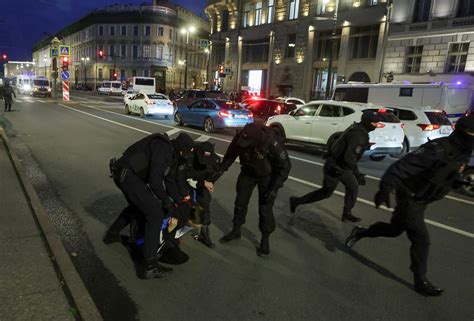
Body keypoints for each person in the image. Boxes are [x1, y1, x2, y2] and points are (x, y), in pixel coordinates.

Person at [345, 115, 474, 296]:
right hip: (410, 197)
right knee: (421, 239)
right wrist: (384, 189)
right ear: (464, 133)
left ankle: (361, 231)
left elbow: (445, 172)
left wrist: (456, 182)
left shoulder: (462, 152)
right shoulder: (437, 149)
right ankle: (420, 279)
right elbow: (400, 167)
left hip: (423, 199)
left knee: (394, 230)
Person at [105, 132, 196, 279]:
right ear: (179, 149)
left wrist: (180, 201)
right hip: (126, 175)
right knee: (155, 215)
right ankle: (149, 266)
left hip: (127, 174)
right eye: (184, 153)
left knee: (138, 206)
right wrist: (166, 201)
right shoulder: (163, 148)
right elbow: (155, 180)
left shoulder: (172, 155)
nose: (184, 156)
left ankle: (111, 235)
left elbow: (170, 181)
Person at [289, 110, 385, 222]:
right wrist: (358, 174)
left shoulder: (358, 129)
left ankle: (347, 213)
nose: (376, 126)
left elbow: (349, 147)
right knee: (326, 192)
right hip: (334, 166)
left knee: (353, 187)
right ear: (367, 122)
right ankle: (296, 201)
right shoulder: (359, 135)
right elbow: (349, 157)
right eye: (374, 123)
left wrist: (365, 146)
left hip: (342, 166)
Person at [213, 123, 291, 256]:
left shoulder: (272, 142)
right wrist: (217, 174)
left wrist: (274, 189)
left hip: (267, 177)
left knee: (265, 208)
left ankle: (265, 239)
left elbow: (285, 167)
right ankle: (236, 230)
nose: (244, 144)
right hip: (248, 172)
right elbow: (230, 156)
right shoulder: (241, 137)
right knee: (240, 203)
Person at [185, 142, 221, 248]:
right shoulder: (189, 156)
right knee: (184, 203)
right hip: (188, 181)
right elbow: (186, 178)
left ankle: (204, 234)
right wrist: (203, 183)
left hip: (202, 182)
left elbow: (214, 174)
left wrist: (210, 183)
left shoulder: (215, 160)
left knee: (205, 205)